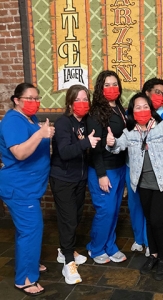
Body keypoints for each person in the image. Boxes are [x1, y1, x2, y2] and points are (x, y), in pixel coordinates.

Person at [106, 92, 163, 280]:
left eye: (145, 106)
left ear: (151, 109)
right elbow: (118, 146)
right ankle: (154, 255)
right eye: (137, 107)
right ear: (132, 111)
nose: (141, 110)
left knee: (157, 219)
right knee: (149, 220)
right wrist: (111, 143)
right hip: (142, 184)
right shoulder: (130, 132)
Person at [0, 83, 55, 296]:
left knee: (27, 230)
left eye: (36, 98)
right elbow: (20, 153)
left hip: (30, 187)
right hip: (19, 188)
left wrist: (41, 132)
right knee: (31, 230)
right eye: (29, 98)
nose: (34, 102)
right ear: (17, 99)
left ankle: (29, 261)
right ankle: (24, 278)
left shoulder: (28, 118)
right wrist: (40, 134)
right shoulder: (12, 120)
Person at [49, 85, 100, 284]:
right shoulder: (63, 123)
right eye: (78, 100)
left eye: (85, 99)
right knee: (68, 219)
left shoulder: (86, 122)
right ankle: (68, 264)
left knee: (76, 216)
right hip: (62, 179)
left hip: (79, 178)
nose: (83, 103)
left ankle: (65, 250)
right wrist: (86, 142)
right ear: (70, 103)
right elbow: (65, 152)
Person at [86, 70, 127, 264]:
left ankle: (109, 245)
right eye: (107, 85)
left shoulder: (119, 108)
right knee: (106, 210)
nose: (112, 88)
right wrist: (101, 175)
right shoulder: (95, 113)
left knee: (115, 209)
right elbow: (94, 147)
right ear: (100, 89)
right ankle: (95, 248)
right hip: (104, 170)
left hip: (120, 168)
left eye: (115, 84)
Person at [127, 78, 163, 256]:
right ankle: (140, 240)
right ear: (146, 93)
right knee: (137, 206)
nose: (160, 96)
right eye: (156, 92)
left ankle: (151, 245)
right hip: (135, 169)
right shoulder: (132, 114)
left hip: (156, 173)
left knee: (154, 214)